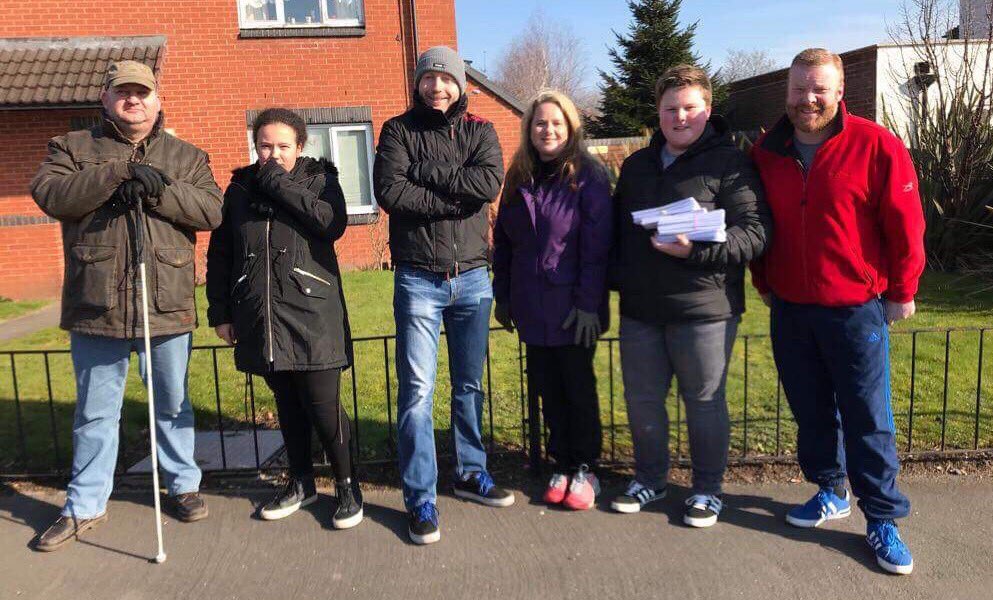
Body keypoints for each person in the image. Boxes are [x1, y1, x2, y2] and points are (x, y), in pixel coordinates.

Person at [29, 60, 223, 551]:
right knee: (95, 413)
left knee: (172, 405)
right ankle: (85, 504)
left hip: (166, 300)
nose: (133, 100)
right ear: (106, 99)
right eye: (123, 93)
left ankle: (183, 485)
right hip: (97, 305)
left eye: (142, 92)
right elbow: (51, 195)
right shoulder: (72, 149)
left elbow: (211, 211)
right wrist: (117, 172)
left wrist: (160, 189)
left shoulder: (186, 155)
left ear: (157, 99)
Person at [750, 48, 925, 575]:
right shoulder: (767, 151)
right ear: (787, 92)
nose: (808, 99)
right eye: (800, 88)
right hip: (790, 308)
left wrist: (903, 287)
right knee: (811, 411)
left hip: (856, 309)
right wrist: (763, 280)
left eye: (818, 89)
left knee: (868, 417)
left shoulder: (876, 145)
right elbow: (758, 223)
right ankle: (831, 490)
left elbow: (906, 222)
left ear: (839, 92)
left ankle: (882, 518)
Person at [610, 65, 771, 527]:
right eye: (670, 109)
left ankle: (706, 490)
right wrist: (619, 281)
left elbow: (755, 234)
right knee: (642, 400)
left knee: (702, 401)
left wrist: (695, 250)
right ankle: (650, 478)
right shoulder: (637, 165)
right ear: (657, 114)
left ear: (707, 110)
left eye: (690, 108)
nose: (680, 117)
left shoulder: (731, 163)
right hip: (641, 308)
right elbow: (619, 234)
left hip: (704, 308)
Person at [373, 45, 512, 545]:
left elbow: (488, 183)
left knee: (468, 387)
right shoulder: (397, 130)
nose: (437, 86)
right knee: (417, 393)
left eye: (446, 78)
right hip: (419, 279)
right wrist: (455, 194)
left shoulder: (483, 130)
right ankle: (420, 497)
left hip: (473, 278)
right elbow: (391, 192)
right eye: (428, 77)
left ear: (460, 84)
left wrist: (427, 175)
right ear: (418, 83)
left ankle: (470, 472)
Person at [205, 108, 361, 529]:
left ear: (301, 147)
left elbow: (330, 223)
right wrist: (220, 312)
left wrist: (275, 182)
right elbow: (221, 253)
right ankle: (301, 482)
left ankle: (347, 485)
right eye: (264, 146)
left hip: (312, 312)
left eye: (282, 147)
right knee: (288, 405)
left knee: (323, 406)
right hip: (262, 315)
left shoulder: (321, 182)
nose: (272, 154)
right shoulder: (238, 190)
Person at [492, 90, 611, 511]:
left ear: (571, 127)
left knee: (578, 389)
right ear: (529, 129)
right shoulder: (519, 176)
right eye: (540, 123)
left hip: (574, 308)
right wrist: (502, 296)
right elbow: (503, 244)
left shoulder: (588, 177)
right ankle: (561, 461)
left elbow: (596, 248)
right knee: (547, 390)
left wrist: (587, 304)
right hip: (532, 307)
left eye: (557, 122)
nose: (548, 130)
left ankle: (584, 466)